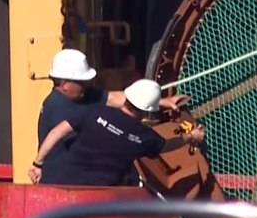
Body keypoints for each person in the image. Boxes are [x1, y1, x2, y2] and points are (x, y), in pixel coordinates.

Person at [37, 49, 187, 183]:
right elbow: (62, 134)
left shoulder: (84, 96)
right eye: (82, 82)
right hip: (66, 184)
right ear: (65, 84)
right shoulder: (56, 107)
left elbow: (115, 98)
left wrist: (161, 101)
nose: (86, 86)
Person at [29, 79, 205, 186]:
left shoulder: (93, 111)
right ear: (147, 111)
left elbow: (56, 133)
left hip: (57, 184)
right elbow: (166, 145)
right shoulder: (143, 138)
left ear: (127, 97)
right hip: (97, 199)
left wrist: (38, 164)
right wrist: (191, 136)